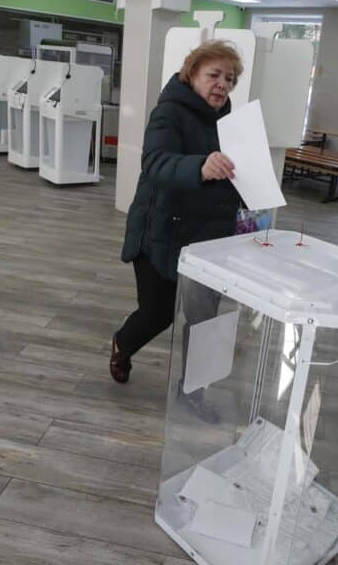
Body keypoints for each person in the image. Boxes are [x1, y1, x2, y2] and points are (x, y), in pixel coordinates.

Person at [110, 40, 243, 418]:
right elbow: (156, 162)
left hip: (211, 238)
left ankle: (193, 392)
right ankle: (122, 343)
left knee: (205, 321)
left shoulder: (232, 123)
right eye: (213, 75)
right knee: (158, 313)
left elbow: (238, 172)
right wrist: (200, 167)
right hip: (160, 231)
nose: (222, 84)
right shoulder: (169, 111)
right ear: (192, 74)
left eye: (229, 79)